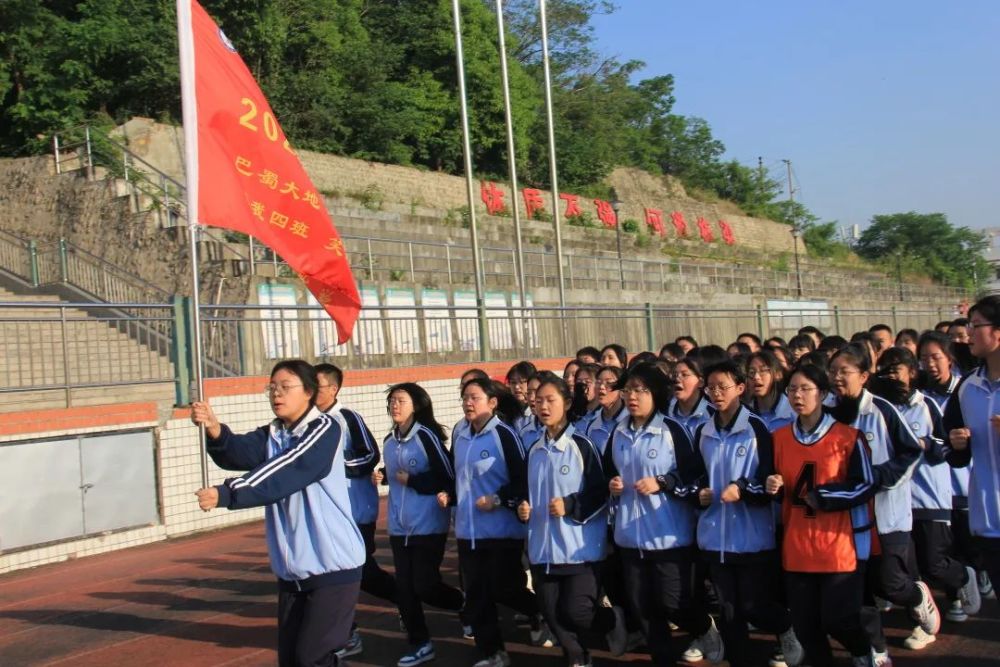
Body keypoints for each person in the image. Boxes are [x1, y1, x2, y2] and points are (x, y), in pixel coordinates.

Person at [193, 359, 365, 667]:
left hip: (333, 567)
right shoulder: (273, 433)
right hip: (293, 572)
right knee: (292, 660)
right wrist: (214, 429)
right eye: (272, 388)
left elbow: (286, 471)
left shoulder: (324, 429)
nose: (277, 394)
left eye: (285, 387)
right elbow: (238, 452)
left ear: (309, 392)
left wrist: (227, 493)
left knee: (311, 658)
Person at [603, 362, 723, 666]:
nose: (632, 396)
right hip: (630, 537)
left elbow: (695, 476)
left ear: (656, 393)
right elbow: (607, 473)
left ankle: (703, 627)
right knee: (644, 609)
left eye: (640, 390)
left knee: (674, 603)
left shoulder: (672, 431)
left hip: (669, 535)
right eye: (629, 390)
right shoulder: (618, 433)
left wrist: (663, 482)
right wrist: (613, 483)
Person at [827, 344, 937, 664]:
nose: (836, 378)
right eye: (832, 371)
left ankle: (916, 595)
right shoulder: (826, 412)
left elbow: (910, 452)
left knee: (889, 583)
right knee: (858, 588)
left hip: (887, 515)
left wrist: (878, 477)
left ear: (863, 376)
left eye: (843, 372)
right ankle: (876, 649)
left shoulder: (882, 410)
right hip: (847, 519)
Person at [693, 361, 803, 667]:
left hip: (751, 536)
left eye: (723, 387)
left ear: (740, 389)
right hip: (715, 535)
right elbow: (697, 477)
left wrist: (742, 488)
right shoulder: (703, 431)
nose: (716, 393)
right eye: (710, 387)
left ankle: (786, 626)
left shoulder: (757, 430)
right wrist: (701, 493)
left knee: (754, 606)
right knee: (729, 612)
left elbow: (769, 481)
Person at [766, 363, 876, 667]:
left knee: (838, 620)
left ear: (824, 393)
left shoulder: (848, 437)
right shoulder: (779, 438)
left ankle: (864, 651)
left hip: (838, 546)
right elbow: (771, 482)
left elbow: (866, 485)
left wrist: (826, 497)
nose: (797, 395)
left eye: (805, 389)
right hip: (797, 545)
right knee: (805, 626)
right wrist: (772, 485)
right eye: (792, 389)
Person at [871, 348, 980, 650]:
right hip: (898, 504)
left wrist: (923, 443)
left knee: (934, 563)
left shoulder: (927, 405)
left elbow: (946, 444)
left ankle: (962, 575)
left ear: (911, 372)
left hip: (929, 496)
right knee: (911, 570)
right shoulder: (880, 409)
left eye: (898, 369)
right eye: (887, 370)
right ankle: (922, 623)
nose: (892, 375)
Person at [518, 375, 627, 667]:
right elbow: (522, 493)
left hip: (579, 550)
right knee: (552, 614)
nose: (543, 406)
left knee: (577, 611)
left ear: (566, 403)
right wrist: (522, 507)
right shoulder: (534, 450)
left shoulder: (582, 445)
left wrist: (570, 505)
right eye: (539, 400)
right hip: (543, 549)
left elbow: (601, 491)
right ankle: (578, 658)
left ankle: (610, 619)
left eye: (550, 400)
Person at [441, 378, 538, 667]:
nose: (468, 403)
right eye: (464, 398)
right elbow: (456, 477)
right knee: (477, 595)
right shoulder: (461, 436)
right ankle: (493, 652)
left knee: (502, 587)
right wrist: (450, 494)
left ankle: (538, 609)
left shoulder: (504, 435)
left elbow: (523, 480)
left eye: (474, 397)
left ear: (492, 402)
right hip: (469, 531)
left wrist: (497, 499)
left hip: (501, 530)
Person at [381, 383, 465, 667]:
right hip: (398, 526)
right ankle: (420, 643)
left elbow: (448, 476)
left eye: (400, 400)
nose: (394, 405)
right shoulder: (389, 442)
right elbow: (394, 474)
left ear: (415, 405)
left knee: (424, 585)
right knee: (404, 589)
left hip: (428, 523)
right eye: (392, 401)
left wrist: (414, 480)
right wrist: (383, 475)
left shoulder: (426, 437)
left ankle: (463, 603)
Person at [314, 363, 394, 659]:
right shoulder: (310, 420)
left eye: (317, 385)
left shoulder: (346, 417)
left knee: (358, 572)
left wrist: (336, 469)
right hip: (328, 514)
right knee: (337, 573)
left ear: (333, 389)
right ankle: (348, 633)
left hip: (355, 511)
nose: (311, 391)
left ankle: (403, 600)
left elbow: (370, 454)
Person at [945, 295, 1000, 612]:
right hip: (988, 522)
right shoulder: (967, 387)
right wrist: (956, 443)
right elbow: (952, 451)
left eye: (976, 326)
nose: (968, 334)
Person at [746, 350, 794, 432]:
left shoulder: (793, 411)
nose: (756, 377)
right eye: (751, 372)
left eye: (763, 371)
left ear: (778, 374)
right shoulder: (745, 414)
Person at [668, 357, 714, 439]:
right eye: (675, 375)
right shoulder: (666, 413)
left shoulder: (713, 414)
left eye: (684, 375)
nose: (677, 379)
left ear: (701, 382)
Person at [585, 365, 627, 455]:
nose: (602, 387)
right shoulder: (592, 426)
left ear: (622, 390)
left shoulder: (631, 422)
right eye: (598, 382)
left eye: (609, 383)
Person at [506, 361, 538, 433]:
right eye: (513, 382)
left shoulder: (539, 411)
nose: (517, 387)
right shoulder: (506, 411)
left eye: (522, 382)